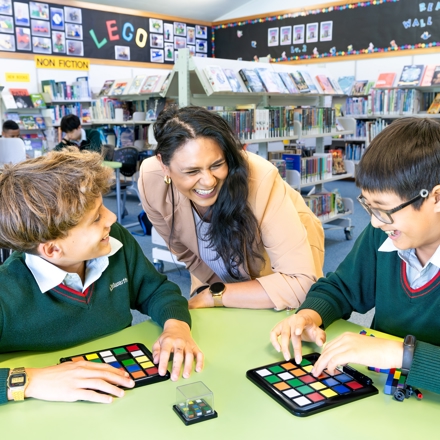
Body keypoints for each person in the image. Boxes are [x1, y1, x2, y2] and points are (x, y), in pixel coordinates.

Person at [0, 148, 203, 405]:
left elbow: (156, 290)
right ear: (52, 249)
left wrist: (176, 326)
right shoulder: (6, 292)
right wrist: (31, 380)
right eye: (96, 218)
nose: (113, 217)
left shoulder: (114, 239)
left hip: (122, 394)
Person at [270, 117, 440, 395]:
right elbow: (342, 288)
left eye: (384, 210)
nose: (374, 223)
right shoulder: (385, 234)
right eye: (368, 206)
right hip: (388, 398)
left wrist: (401, 354)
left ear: (436, 198)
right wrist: (310, 316)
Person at [139, 106, 324, 311]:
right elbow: (187, 253)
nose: (208, 181)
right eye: (192, 171)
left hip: (276, 277)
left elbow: (298, 284)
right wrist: (222, 293)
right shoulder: (151, 181)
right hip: (220, 282)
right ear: (164, 166)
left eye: (217, 165)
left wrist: (215, 295)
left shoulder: (262, 180)